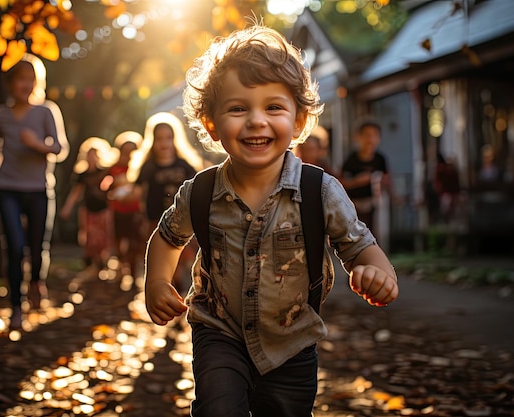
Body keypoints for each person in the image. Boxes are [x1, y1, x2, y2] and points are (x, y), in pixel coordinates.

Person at [143, 24, 399, 417]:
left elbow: (360, 246)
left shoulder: (320, 192)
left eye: (273, 107)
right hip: (219, 333)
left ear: (299, 121)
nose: (256, 121)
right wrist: (157, 282)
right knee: (217, 408)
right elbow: (167, 238)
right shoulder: (200, 192)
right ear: (211, 123)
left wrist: (379, 274)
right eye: (238, 108)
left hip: (292, 343)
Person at [0, 59, 65, 330]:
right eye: (20, 78)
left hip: (39, 190)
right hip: (7, 188)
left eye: (31, 79)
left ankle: (35, 284)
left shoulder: (46, 111)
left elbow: (59, 148)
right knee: (15, 247)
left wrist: (38, 145)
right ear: (9, 83)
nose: (26, 84)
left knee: (36, 247)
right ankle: (16, 307)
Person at [127, 111, 204, 291]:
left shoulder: (184, 165)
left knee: (185, 255)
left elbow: (199, 188)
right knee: (164, 259)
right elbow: (137, 191)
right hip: (156, 221)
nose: (164, 143)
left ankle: (186, 285)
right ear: (152, 141)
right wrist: (124, 197)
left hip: (183, 221)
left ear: (175, 139)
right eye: (159, 138)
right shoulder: (148, 167)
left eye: (168, 138)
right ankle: (174, 287)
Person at [59, 138, 117, 269]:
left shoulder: (105, 172)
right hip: (88, 211)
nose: (91, 158)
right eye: (89, 155)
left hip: (104, 210)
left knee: (104, 239)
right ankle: (94, 265)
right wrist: (67, 208)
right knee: (90, 239)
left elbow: (112, 186)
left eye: (94, 154)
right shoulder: (82, 175)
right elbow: (75, 193)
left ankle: (103, 263)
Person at [100, 131, 145, 277]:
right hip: (118, 210)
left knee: (134, 243)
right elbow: (104, 186)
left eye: (132, 152)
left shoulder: (141, 169)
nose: (128, 156)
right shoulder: (114, 168)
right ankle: (120, 268)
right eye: (125, 152)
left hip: (135, 210)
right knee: (118, 240)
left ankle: (132, 273)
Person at [339, 120, 393, 237]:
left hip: (375, 207)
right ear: (358, 137)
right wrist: (357, 181)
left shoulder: (380, 159)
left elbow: (388, 179)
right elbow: (340, 182)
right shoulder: (351, 159)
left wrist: (383, 183)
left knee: (375, 235)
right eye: (367, 135)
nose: (370, 139)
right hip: (354, 207)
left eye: (374, 135)